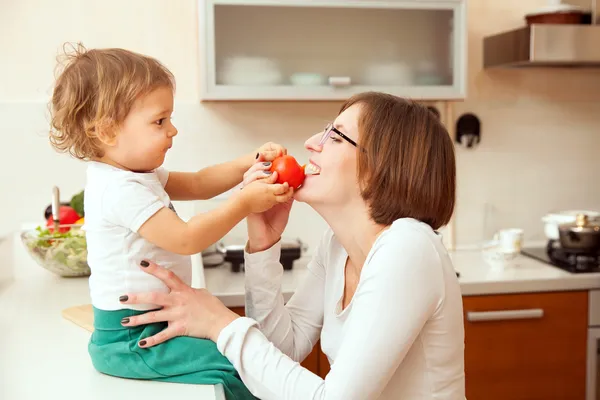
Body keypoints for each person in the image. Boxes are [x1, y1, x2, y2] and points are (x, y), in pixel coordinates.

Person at [120, 92, 466, 399]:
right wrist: (263, 244)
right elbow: (282, 348)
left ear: (379, 167)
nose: (313, 142)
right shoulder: (338, 246)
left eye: (336, 136)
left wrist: (219, 323)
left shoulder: (408, 247)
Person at [48, 43, 294, 400]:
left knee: (242, 362)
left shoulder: (134, 175)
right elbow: (185, 239)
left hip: (155, 326)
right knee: (240, 368)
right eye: (159, 121)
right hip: (133, 341)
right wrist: (243, 202)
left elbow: (197, 183)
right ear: (107, 131)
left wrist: (248, 161)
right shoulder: (119, 189)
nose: (172, 130)